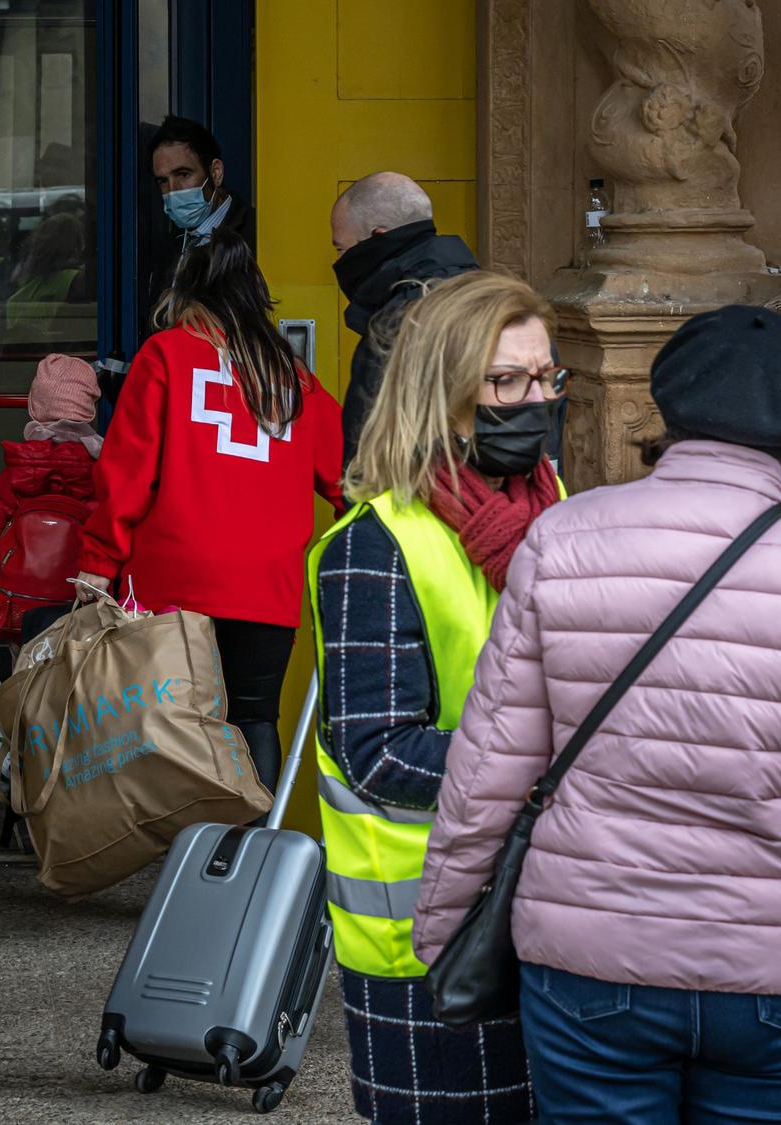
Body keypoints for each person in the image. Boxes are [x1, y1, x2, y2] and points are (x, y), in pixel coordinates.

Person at [414, 306, 781, 1124]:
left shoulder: (561, 541)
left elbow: (488, 768)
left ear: (667, 408)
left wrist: (445, 930)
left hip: (591, 959)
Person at [307, 272, 564, 1124]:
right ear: (443, 395)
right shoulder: (374, 545)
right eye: (506, 382)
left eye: (546, 378)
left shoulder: (555, 513)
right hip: (424, 938)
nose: (535, 400)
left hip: (547, 907)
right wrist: (551, 763)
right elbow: (378, 754)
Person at [76, 228, 344, 792]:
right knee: (252, 722)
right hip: (267, 589)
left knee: (174, 727)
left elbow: (127, 475)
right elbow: (351, 476)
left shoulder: (166, 355)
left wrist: (99, 561)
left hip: (174, 584)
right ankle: (253, 866)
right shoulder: (294, 379)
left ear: (185, 294)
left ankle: (188, 865)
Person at [331, 172, 478, 466]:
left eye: (341, 248)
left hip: (422, 503)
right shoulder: (504, 305)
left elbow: (367, 457)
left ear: (379, 238)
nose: (338, 262)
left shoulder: (397, 328)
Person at [0, 353, 100, 647]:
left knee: (23, 689)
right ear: (89, 411)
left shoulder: (17, 474)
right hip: (82, 613)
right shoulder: (102, 474)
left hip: (19, 612)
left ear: (34, 408)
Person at [144, 114, 254, 324]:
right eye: (163, 181)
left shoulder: (255, 234)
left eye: (183, 174)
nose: (173, 190)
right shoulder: (169, 245)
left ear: (216, 173)